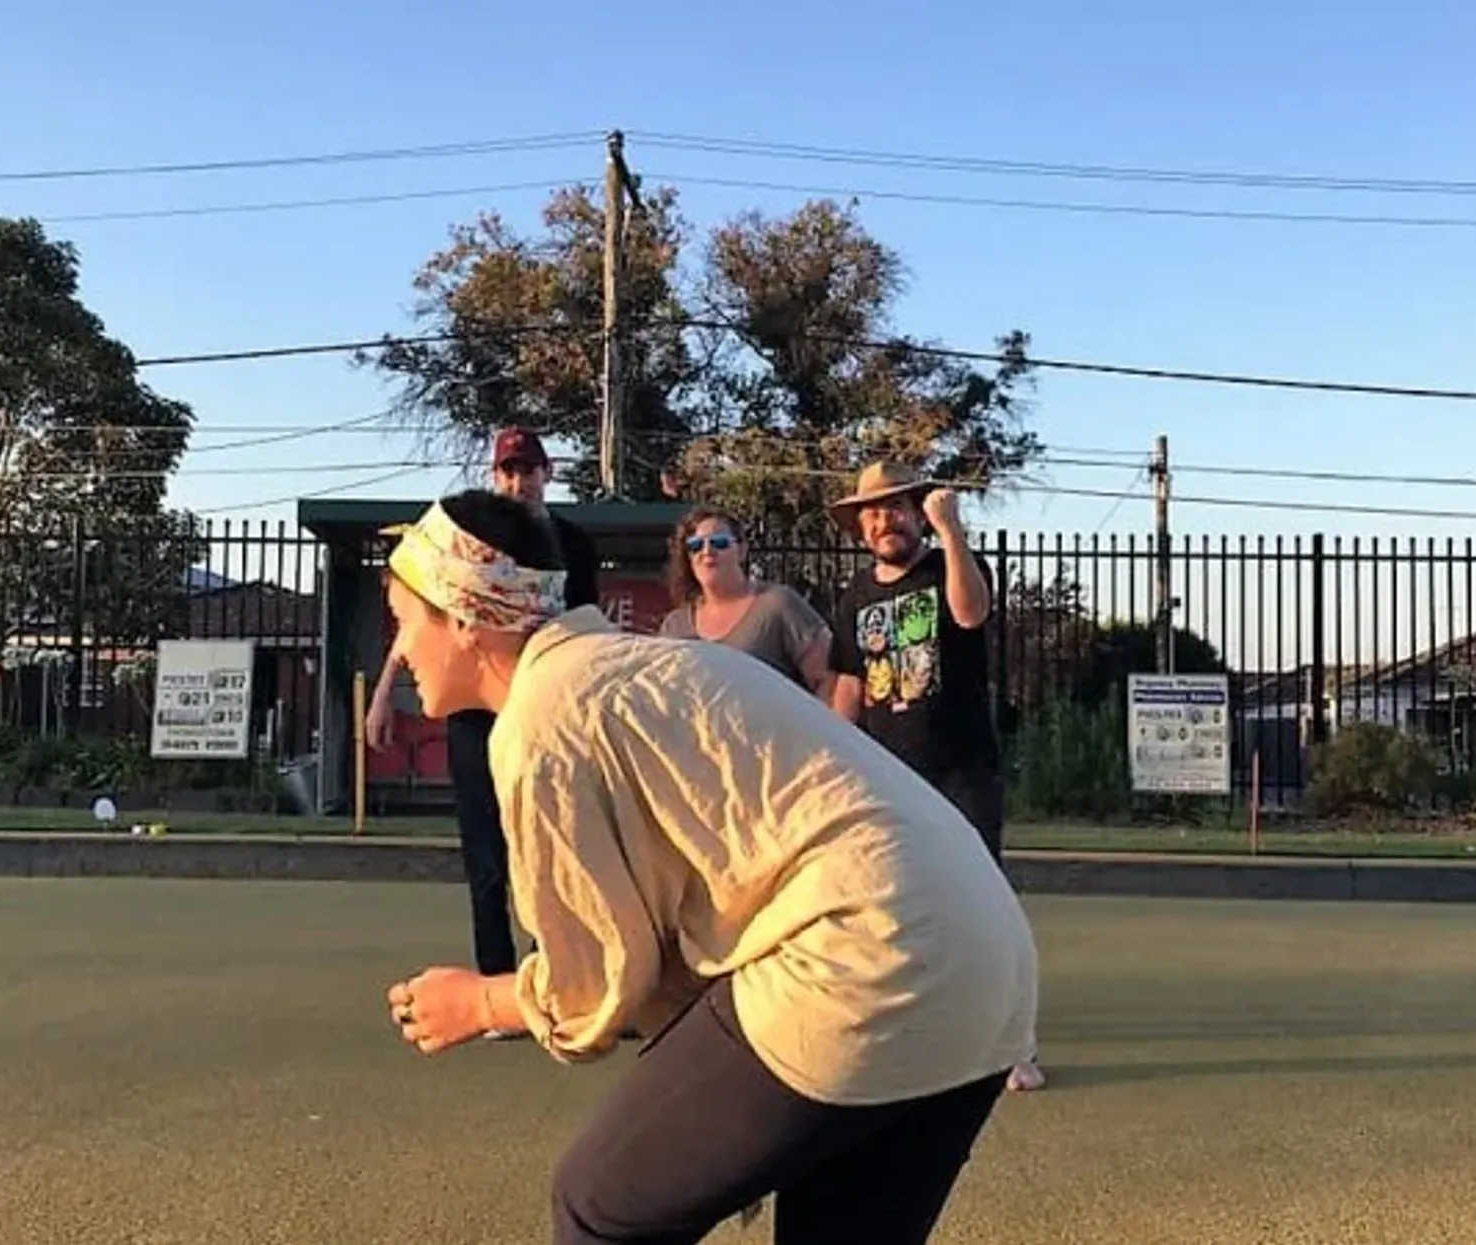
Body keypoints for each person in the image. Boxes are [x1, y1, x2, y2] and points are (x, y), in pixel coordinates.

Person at [382, 490, 1039, 1245]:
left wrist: (481, 1002)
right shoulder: (662, 662)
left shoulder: (542, 719)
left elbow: (591, 986)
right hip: (991, 964)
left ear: (464, 618)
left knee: (601, 1206)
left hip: (864, 957)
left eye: (405, 619)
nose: (400, 649)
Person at [826, 461, 1046, 1094]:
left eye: (896, 508)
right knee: (893, 909)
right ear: (860, 526)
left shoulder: (950, 565)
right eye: (872, 512)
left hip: (962, 770)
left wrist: (951, 531)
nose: (884, 521)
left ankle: (1013, 1042)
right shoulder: (856, 596)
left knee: (985, 907)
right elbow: (850, 685)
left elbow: (971, 614)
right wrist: (833, 757)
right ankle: (910, 1032)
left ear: (917, 512)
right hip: (891, 778)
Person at [366, 427, 597, 1015]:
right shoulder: (460, 550)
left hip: (544, 707)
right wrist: (385, 689)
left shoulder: (572, 544)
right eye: (508, 471)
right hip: (477, 718)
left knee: (553, 849)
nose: (519, 481)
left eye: (529, 470)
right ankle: (500, 980)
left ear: (547, 473)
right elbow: (427, 618)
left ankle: (562, 982)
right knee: (487, 855)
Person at [655, 506, 833, 695]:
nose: (707, 551)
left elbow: (828, 681)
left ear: (741, 550)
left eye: (719, 542)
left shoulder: (777, 604)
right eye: (695, 545)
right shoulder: (675, 626)